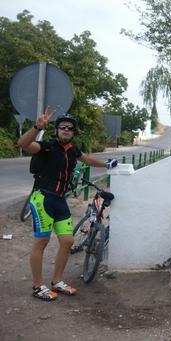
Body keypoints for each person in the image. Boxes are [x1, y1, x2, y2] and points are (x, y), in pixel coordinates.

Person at [17, 108, 118, 301]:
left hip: (60, 200)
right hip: (43, 198)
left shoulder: (72, 150)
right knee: (42, 241)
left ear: (73, 132)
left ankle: (57, 281)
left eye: (70, 128)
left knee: (68, 242)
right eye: (62, 127)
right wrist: (37, 126)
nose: (66, 130)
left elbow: (86, 159)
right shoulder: (46, 147)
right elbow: (23, 144)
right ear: (56, 130)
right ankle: (38, 286)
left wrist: (107, 165)